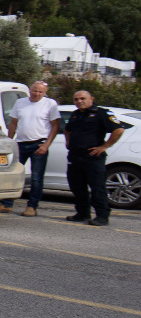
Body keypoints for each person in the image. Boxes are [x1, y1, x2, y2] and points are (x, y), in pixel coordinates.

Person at [63, 90, 124, 227]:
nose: (79, 101)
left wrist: (104, 146)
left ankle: (102, 216)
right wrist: (68, 141)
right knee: (77, 187)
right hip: (75, 156)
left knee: (97, 187)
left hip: (92, 156)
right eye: (76, 99)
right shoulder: (75, 115)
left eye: (82, 98)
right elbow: (67, 129)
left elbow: (118, 129)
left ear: (91, 99)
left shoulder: (101, 113)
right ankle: (82, 213)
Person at [2, 81, 60, 215]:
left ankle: (32, 206)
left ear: (45, 93)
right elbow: (13, 123)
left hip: (39, 144)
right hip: (21, 143)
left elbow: (55, 125)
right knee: (14, 175)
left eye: (40, 92)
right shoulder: (21, 103)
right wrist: (10, 141)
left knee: (36, 177)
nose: (37, 94)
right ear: (30, 90)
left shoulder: (50, 104)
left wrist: (47, 144)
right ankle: (6, 203)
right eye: (35, 91)